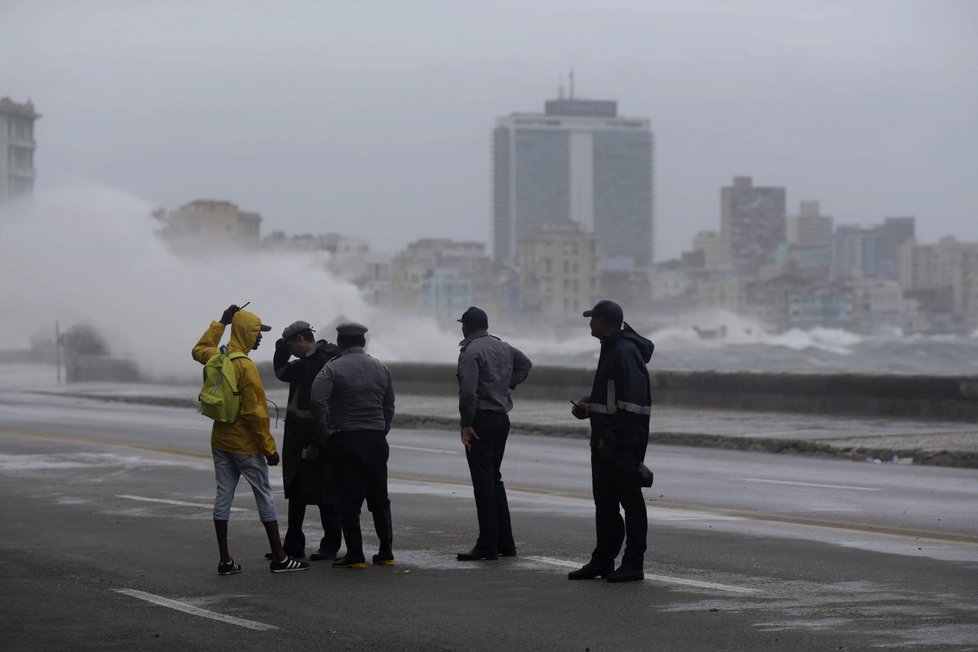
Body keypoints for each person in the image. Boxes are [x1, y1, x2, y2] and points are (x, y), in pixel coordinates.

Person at [192, 304, 309, 575]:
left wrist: (220, 323)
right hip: (245, 445)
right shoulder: (246, 366)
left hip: (220, 439)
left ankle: (225, 560)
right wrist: (269, 450)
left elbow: (198, 350)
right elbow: (256, 414)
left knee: (223, 497)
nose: (260, 337)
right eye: (257, 332)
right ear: (246, 332)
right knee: (264, 496)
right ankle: (280, 558)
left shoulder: (217, 356)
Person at [568, 300, 654, 583]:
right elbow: (610, 397)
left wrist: (611, 438)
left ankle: (633, 564)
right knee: (605, 503)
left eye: (592, 318)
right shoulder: (610, 348)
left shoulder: (625, 351)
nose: (589, 323)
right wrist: (587, 405)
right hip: (604, 440)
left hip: (621, 443)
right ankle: (603, 560)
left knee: (630, 502)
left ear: (603, 321)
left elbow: (632, 404)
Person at [310, 322, 395, 569]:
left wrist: (323, 431)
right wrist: (382, 427)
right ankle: (386, 552)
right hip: (376, 440)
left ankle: (355, 554)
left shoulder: (333, 368)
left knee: (348, 498)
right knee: (380, 497)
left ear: (341, 342)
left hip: (346, 439)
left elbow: (317, 401)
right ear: (363, 342)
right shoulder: (381, 368)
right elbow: (389, 405)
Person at [455, 306, 532, 561]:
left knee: (483, 483)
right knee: (494, 480)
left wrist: (466, 423)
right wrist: (505, 385)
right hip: (501, 419)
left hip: (481, 420)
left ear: (467, 327)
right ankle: (505, 543)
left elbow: (467, 392)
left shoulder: (471, 350)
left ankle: (487, 544)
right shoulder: (502, 346)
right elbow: (525, 364)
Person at [272, 320, 342, 561]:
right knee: (296, 489)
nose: (291, 351)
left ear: (302, 339)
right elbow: (281, 372)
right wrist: (280, 348)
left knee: (325, 491)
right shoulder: (304, 363)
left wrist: (315, 441)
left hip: (316, 437)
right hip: (296, 435)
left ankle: (331, 545)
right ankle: (293, 545)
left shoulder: (324, 360)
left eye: (291, 346)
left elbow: (323, 406)